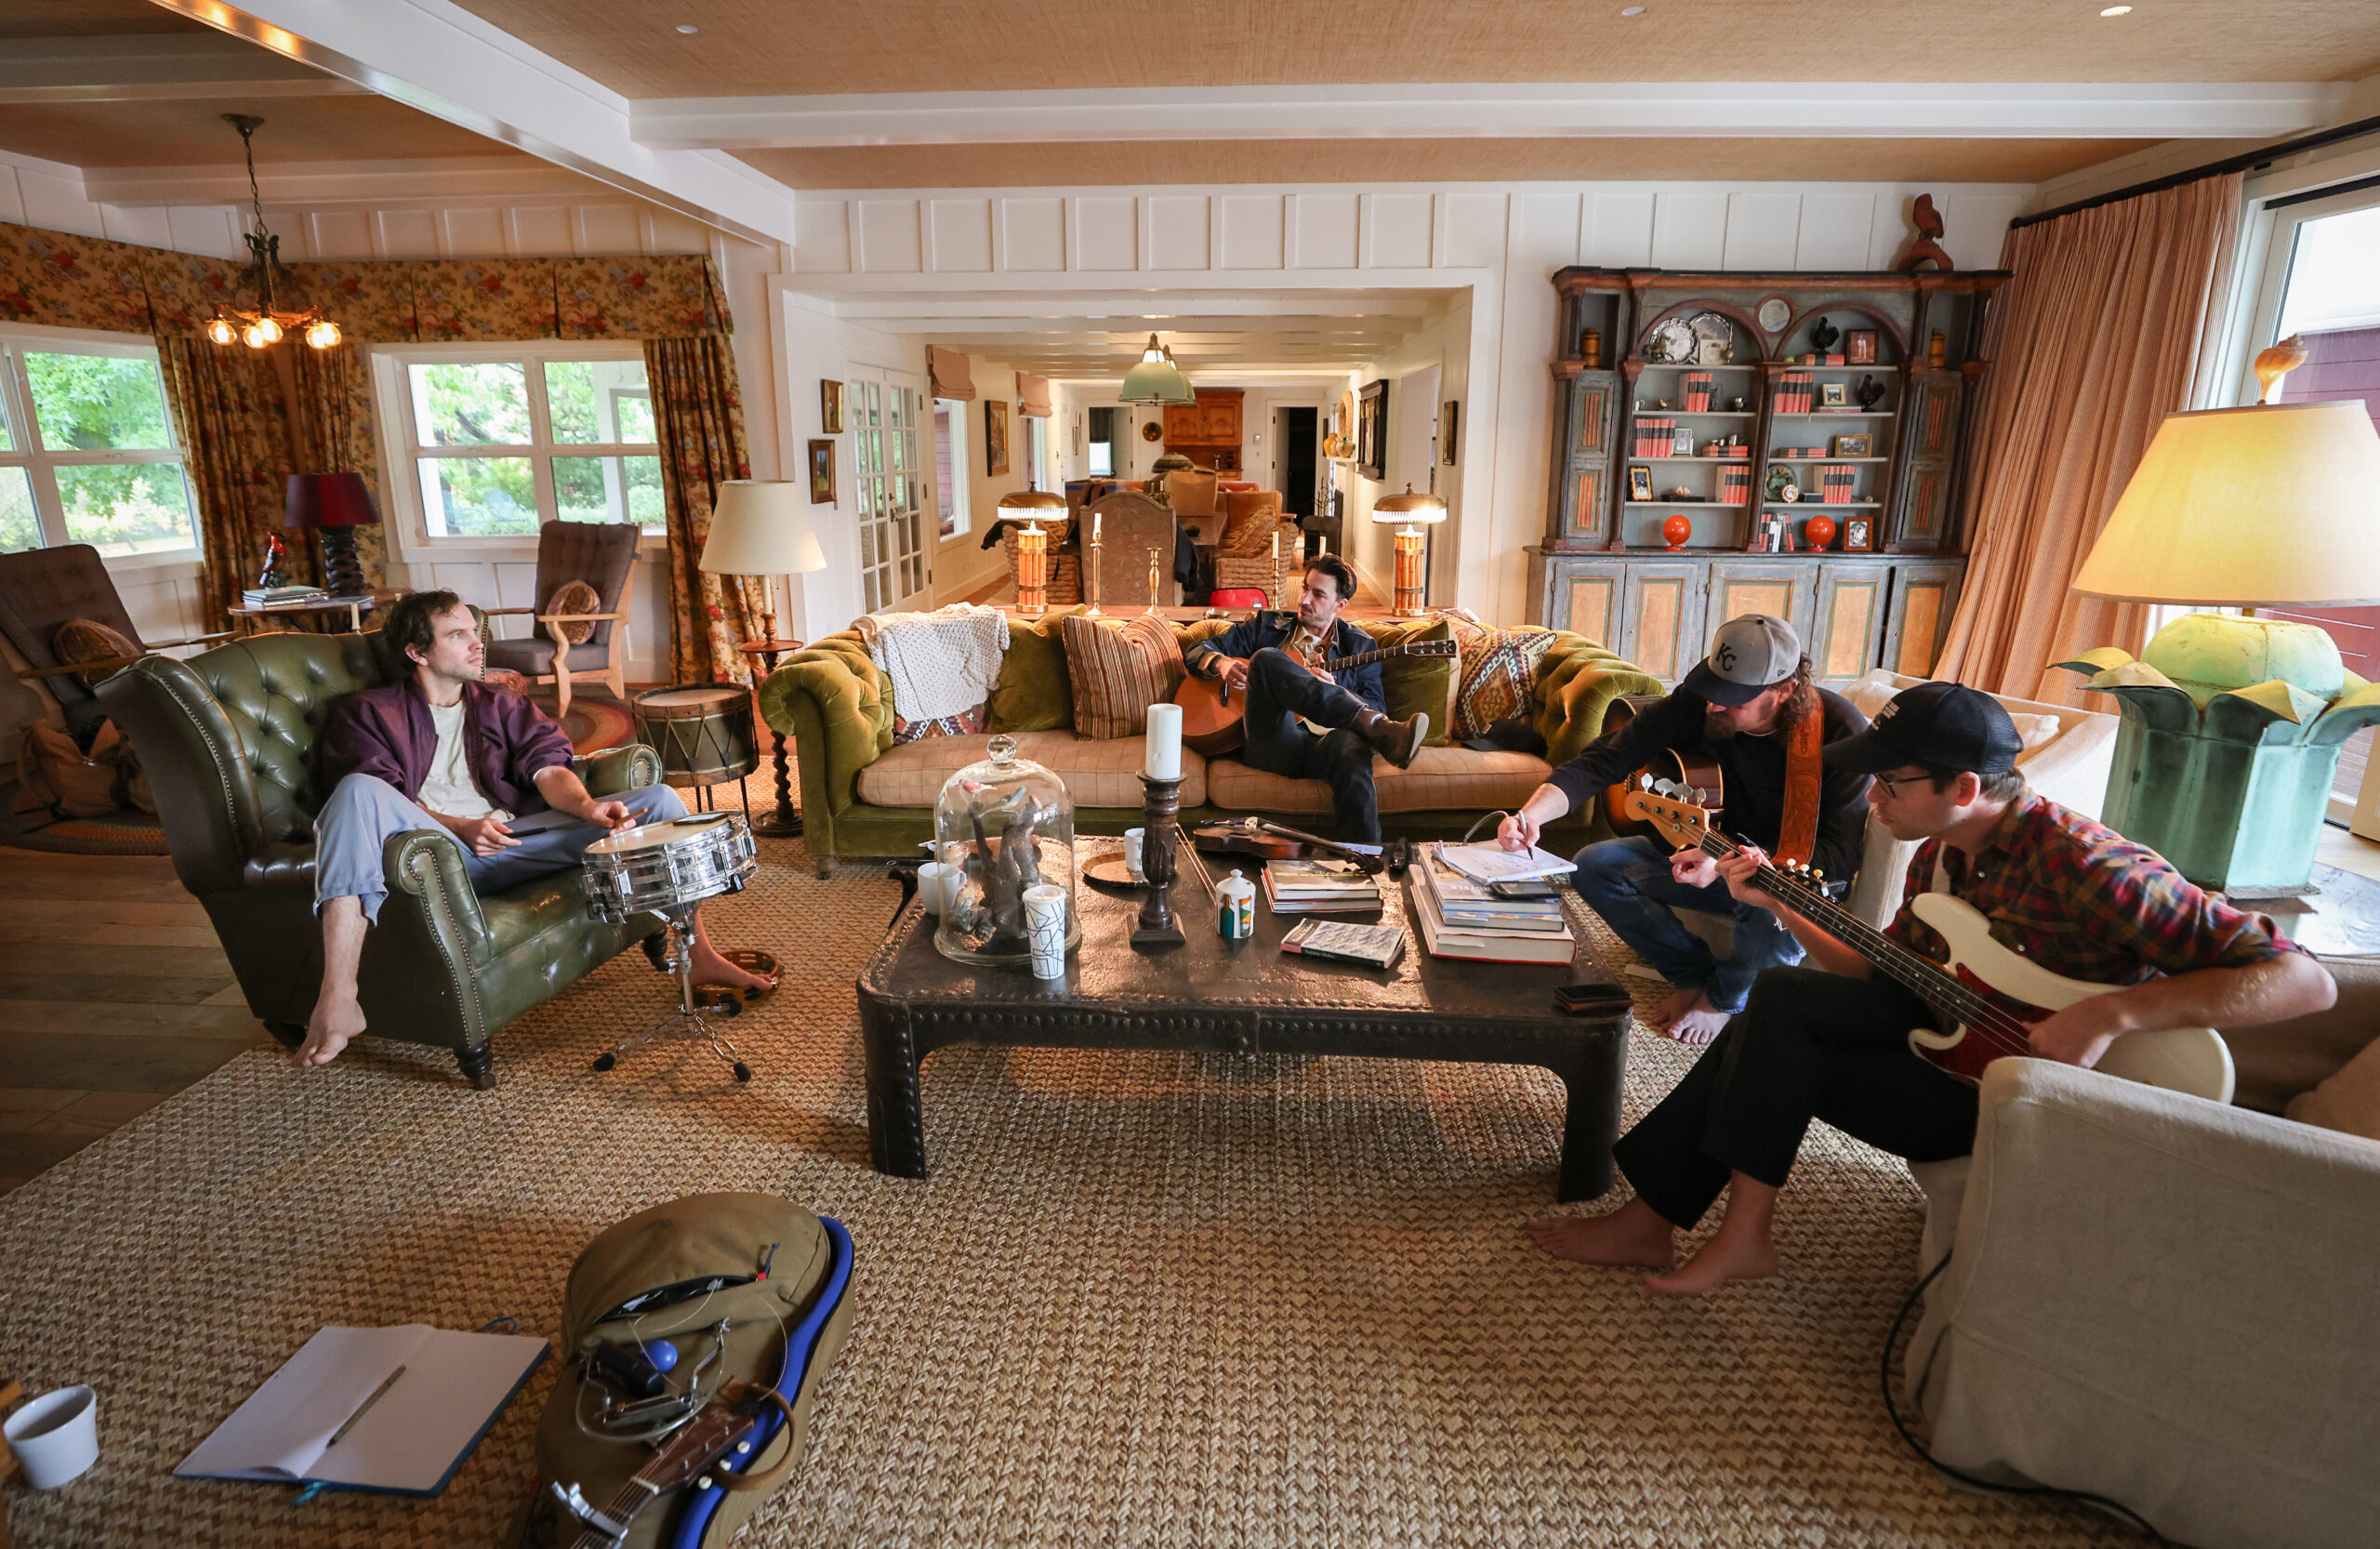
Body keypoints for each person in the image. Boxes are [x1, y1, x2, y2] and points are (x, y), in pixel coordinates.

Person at [1527, 681, 2337, 1297]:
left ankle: (1694, 1225)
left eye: (1890, 786)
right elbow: (1879, 976)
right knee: (1781, 1007)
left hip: (2058, 1100)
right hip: (1958, 1054)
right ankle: (1692, 1226)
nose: (1873, 802)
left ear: (1963, 787)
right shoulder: (1941, 853)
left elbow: (2304, 983)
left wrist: (2109, 1014)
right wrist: (1777, 901)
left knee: (1778, 1016)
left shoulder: (2092, 865)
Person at [293, 590, 774, 1069]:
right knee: (356, 789)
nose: (476, 644)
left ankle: (698, 952)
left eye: (474, 632)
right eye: (457, 635)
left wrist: (588, 808)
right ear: (418, 653)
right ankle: (339, 995)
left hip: (516, 841)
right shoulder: (369, 713)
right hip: (439, 855)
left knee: (660, 800)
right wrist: (459, 826)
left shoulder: (500, 704)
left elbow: (548, 769)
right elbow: (376, 803)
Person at [1497, 615, 1871, 1044]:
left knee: (1773, 898)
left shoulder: (1839, 733)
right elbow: (1606, 760)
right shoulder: (1700, 702)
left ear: (1784, 691)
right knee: (1595, 864)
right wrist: (1531, 815)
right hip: (1707, 858)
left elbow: (1841, 857)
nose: (1714, 706)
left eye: (1733, 699)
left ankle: (1726, 1000)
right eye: (1713, 690)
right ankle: (1691, 975)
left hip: (1785, 878)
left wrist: (1732, 864)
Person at [1181, 554, 1428, 843]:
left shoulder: (1361, 646)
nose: (1304, 599)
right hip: (1273, 740)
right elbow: (1196, 649)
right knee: (1265, 659)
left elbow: (1376, 703)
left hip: (1326, 747)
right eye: (1305, 588)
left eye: (1318, 594)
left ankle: (1364, 858)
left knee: (1350, 745)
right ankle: (1380, 726)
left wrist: (1336, 689)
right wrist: (1221, 664)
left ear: (1340, 605)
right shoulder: (1266, 626)